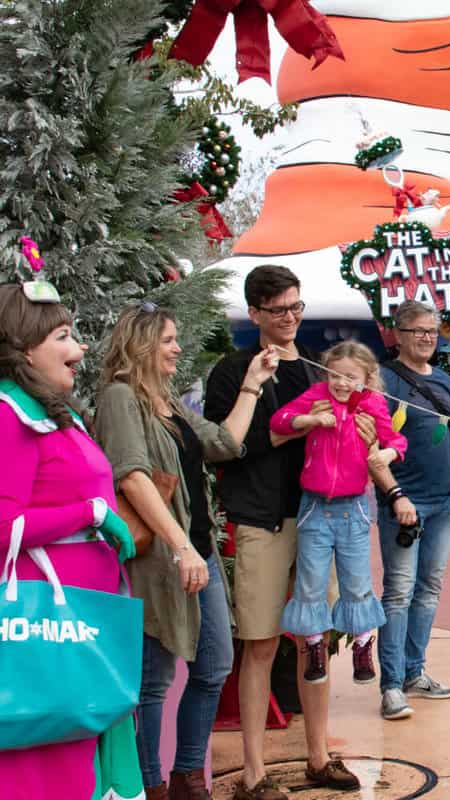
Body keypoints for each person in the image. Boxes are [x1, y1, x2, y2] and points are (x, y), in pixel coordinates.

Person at [93, 303, 277, 800]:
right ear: (142, 345)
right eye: (169, 340)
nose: (177, 348)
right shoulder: (120, 398)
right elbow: (131, 475)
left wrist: (252, 384)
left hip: (198, 552)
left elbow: (224, 442)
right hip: (159, 560)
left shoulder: (167, 401)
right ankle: (152, 785)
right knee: (153, 682)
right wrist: (179, 547)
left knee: (214, 665)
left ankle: (188, 778)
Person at [204, 265, 360, 799]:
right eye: (278, 310)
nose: (290, 317)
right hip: (261, 520)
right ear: (255, 313)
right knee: (261, 643)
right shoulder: (234, 370)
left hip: (321, 520)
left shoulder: (318, 368)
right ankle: (253, 773)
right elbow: (227, 446)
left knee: (315, 641)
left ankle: (319, 756)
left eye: (296, 306)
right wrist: (294, 427)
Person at [0, 283, 140, 800]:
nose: (79, 348)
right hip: (43, 634)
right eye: (62, 336)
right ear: (23, 348)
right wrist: (88, 514)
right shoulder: (8, 415)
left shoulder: (52, 412)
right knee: (46, 769)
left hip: (80, 627)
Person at [270, 342, 406, 685]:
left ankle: (362, 645)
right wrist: (312, 419)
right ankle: (314, 645)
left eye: (350, 377)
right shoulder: (317, 395)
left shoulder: (373, 404)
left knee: (357, 581)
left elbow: (396, 440)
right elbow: (280, 420)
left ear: (367, 378)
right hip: (315, 506)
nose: (341, 383)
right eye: (334, 375)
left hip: (352, 508)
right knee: (310, 581)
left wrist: (386, 455)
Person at [369, 300, 450, 721]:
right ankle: (391, 685)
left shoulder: (444, 379)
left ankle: (414, 671)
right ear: (398, 335)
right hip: (404, 504)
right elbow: (372, 447)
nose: (427, 337)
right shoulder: (383, 380)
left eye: (432, 330)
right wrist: (395, 496)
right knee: (398, 592)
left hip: (445, 501)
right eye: (418, 331)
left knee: (429, 589)